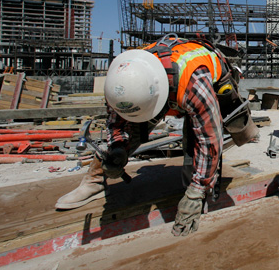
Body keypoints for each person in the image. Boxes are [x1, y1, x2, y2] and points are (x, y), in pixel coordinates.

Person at [55, 34, 259, 237]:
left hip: (210, 84)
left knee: (201, 140)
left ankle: (196, 193)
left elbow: (209, 140)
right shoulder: (122, 79)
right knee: (130, 132)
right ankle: (95, 180)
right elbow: (116, 124)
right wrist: (117, 148)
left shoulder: (193, 82)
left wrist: (197, 191)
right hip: (164, 87)